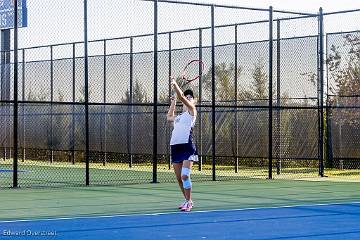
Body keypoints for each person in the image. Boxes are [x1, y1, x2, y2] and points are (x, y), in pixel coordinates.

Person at [167, 77, 198, 212]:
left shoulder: (192, 111)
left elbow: (180, 95)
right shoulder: (179, 117)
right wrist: (173, 102)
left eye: (190, 97)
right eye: (187, 96)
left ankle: (189, 203)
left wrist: (175, 85)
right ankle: (187, 200)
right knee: (179, 179)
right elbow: (169, 117)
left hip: (187, 147)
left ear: (193, 101)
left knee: (185, 175)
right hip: (176, 147)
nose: (188, 98)